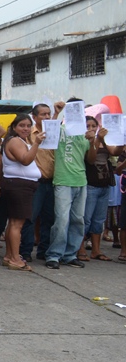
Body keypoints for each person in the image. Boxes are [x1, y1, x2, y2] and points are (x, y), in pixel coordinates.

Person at [0, 114, 44, 271]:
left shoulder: (17, 140)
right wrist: (36, 144)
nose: (26, 128)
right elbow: (25, 160)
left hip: (19, 186)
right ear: (14, 127)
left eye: (28, 125)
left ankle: (10, 256)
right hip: (19, 187)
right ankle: (16, 258)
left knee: (13, 223)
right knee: (17, 224)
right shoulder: (15, 141)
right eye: (22, 125)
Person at [45, 105, 89, 270]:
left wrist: (95, 139)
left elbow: (89, 158)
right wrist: (56, 112)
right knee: (62, 220)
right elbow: (49, 132)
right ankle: (54, 255)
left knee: (78, 220)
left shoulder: (85, 134)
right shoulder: (61, 129)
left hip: (81, 181)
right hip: (63, 181)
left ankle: (70, 255)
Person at [79, 116, 118, 261]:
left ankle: (96, 250)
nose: (91, 129)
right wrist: (95, 140)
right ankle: (80, 248)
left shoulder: (103, 140)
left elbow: (115, 152)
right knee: (86, 219)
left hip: (105, 184)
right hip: (91, 184)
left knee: (99, 219)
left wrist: (119, 138)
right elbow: (91, 158)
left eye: (93, 126)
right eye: (87, 126)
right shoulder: (83, 141)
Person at [28, 100, 55, 261]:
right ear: (34, 117)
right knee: (31, 218)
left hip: (51, 182)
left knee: (49, 219)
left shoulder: (54, 133)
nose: (46, 117)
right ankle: (25, 251)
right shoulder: (30, 134)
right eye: (43, 114)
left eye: (48, 114)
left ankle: (43, 251)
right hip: (35, 183)